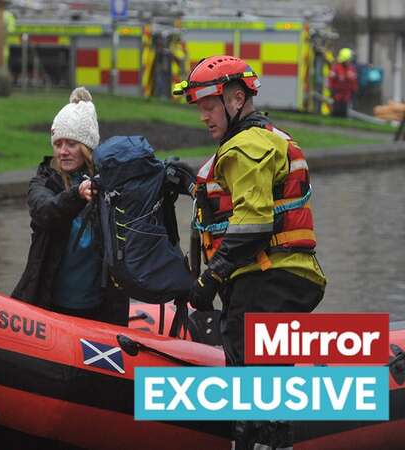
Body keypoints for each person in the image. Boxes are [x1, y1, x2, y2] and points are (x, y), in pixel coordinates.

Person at [172, 56, 326, 449]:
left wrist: (211, 277)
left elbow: (254, 221)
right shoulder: (265, 138)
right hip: (283, 278)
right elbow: (242, 198)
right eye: (200, 109)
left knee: (252, 392)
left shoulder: (245, 145)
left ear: (236, 99)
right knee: (267, 389)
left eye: (209, 107)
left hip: (265, 279)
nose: (204, 117)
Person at [11, 87, 129, 326]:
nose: (63, 151)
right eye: (58, 143)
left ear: (87, 148)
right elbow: (46, 211)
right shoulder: (43, 181)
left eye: (72, 144)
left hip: (99, 309)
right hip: (49, 306)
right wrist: (77, 194)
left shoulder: (108, 184)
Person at [328, 47, 358, 118]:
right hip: (337, 95)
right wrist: (332, 91)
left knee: (344, 113)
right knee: (336, 112)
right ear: (345, 59)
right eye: (349, 59)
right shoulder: (336, 68)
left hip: (347, 96)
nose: (350, 61)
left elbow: (354, 83)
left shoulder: (351, 69)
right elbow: (331, 81)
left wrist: (354, 91)